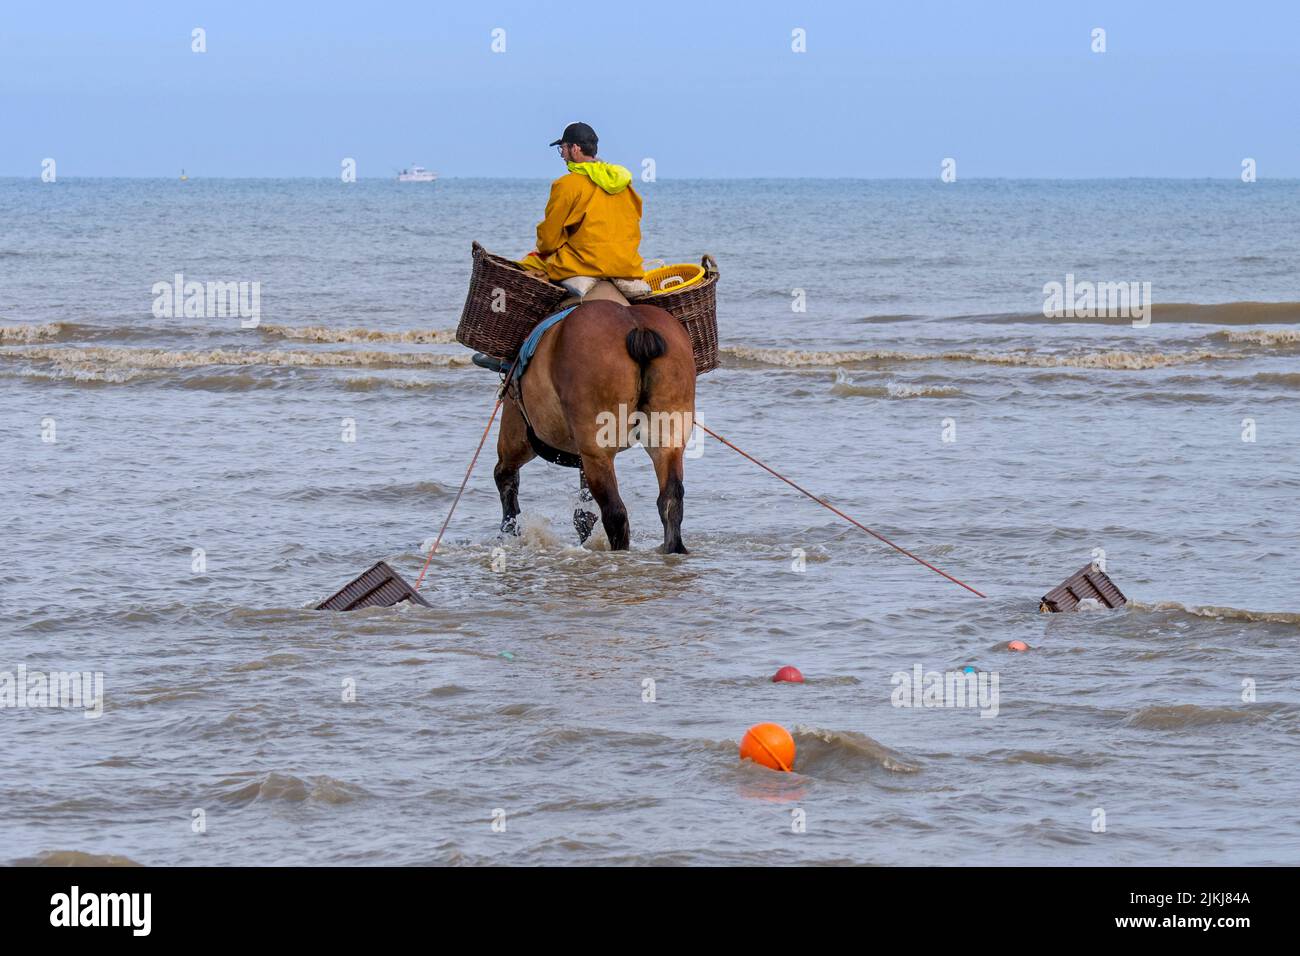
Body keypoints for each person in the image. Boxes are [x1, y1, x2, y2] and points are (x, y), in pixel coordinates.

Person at [520, 122, 650, 298]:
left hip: (582, 264)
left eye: (563, 148)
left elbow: (549, 241)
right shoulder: (624, 183)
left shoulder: (566, 185)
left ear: (575, 148)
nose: (562, 155)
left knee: (524, 266)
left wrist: (544, 249)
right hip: (626, 264)